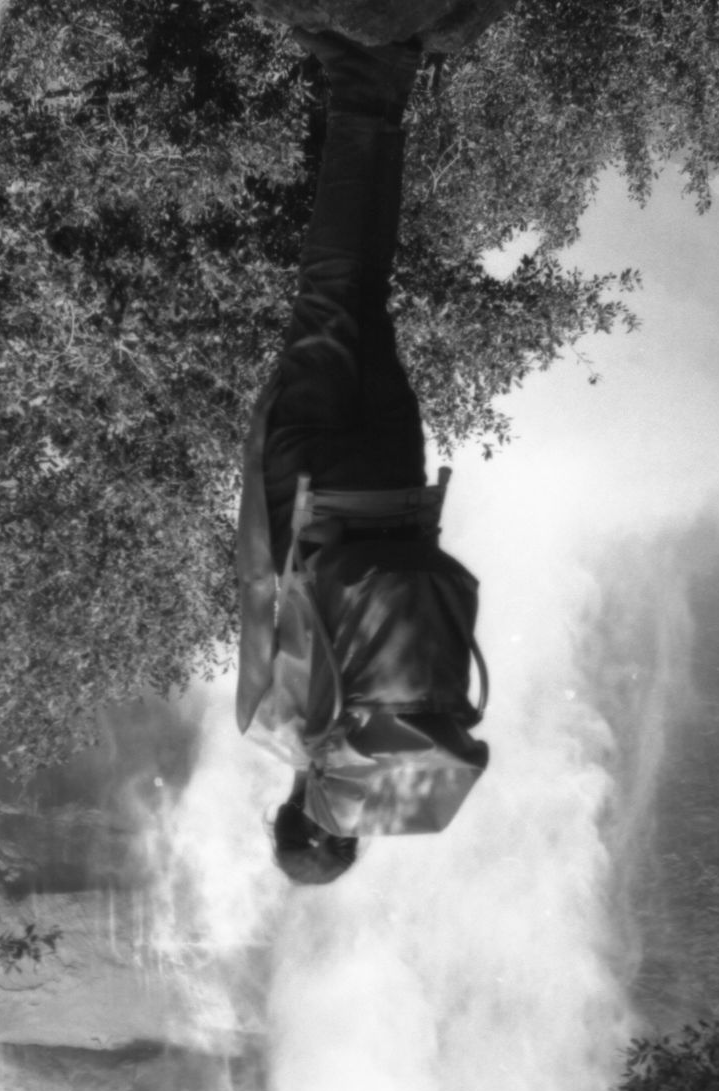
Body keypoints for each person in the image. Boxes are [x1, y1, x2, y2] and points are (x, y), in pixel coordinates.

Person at [235, 28, 489, 887]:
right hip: (313, 481)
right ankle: (358, 74)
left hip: (397, 482)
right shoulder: (282, 732)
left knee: (366, 290)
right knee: (331, 286)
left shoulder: (416, 746)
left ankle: (386, 79)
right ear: (295, 812)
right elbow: (265, 582)